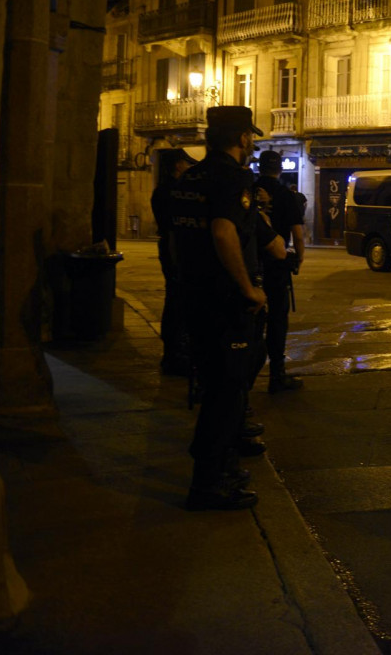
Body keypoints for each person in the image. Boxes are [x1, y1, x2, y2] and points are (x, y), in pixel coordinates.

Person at [169, 106, 272, 512]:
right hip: (225, 303)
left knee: (216, 387)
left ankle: (223, 468)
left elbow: (179, 240)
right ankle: (209, 484)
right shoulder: (232, 178)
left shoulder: (189, 178)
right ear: (243, 138)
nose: (252, 145)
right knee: (226, 395)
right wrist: (248, 289)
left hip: (195, 297)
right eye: (251, 138)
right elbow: (223, 230)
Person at [253, 150, 306, 393]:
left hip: (250, 263)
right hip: (277, 264)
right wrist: (298, 259)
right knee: (277, 320)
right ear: (280, 169)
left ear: (259, 167)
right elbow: (297, 233)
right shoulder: (287, 195)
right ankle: (277, 374)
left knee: (250, 320)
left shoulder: (247, 192)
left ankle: (246, 375)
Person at [151, 148, 196, 376]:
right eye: (186, 163)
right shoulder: (171, 191)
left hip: (173, 250)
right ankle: (174, 355)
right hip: (174, 250)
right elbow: (171, 230)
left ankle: (175, 353)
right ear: (178, 165)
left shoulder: (164, 189)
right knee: (177, 302)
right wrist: (177, 261)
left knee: (176, 301)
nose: (189, 167)